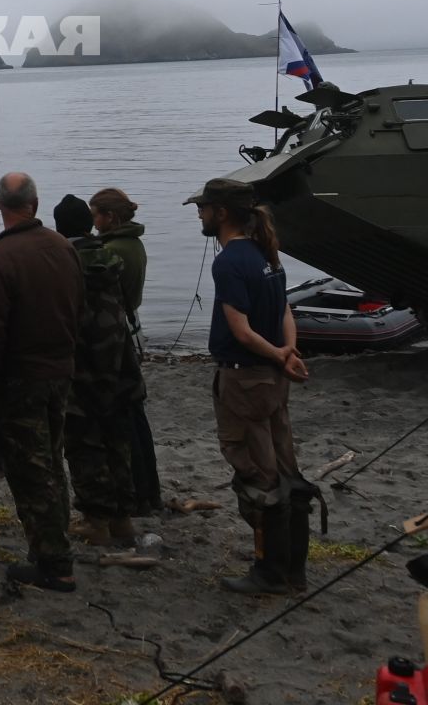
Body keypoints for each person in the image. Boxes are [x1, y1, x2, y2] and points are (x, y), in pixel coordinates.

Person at [185, 177, 314, 596]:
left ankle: (270, 573)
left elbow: (239, 330)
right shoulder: (267, 253)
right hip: (273, 378)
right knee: (284, 465)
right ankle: (294, 569)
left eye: (204, 208)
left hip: (244, 377)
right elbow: (284, 312)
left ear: (222, 213)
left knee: (258, 474)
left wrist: (279, 355)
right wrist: (287, 352)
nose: (200, 213)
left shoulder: (229, 262)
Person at [0, 171, 85, 593]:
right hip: (60, 371)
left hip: (21, 378)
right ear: (35, 204)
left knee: (31, 471)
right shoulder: (63, 247)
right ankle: (51, 548)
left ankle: (55, 564)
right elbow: (79, 307)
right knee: (52, 461)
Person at [52, 194, 143, 549]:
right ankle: (122, 519)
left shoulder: (64, 261)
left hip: (82, 367)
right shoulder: (110, 257)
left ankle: (95, 520)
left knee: (83, 445)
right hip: (119, 364)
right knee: (117, 442)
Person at [91, 187, 162, 514]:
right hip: (130, 328)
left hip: (115, 336)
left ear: (110, 217)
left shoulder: (113, 250)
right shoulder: (134, 244)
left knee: (122, 415)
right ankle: (148, 490)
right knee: (135, 411)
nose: (93, 222)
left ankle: (135, 490)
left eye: (96, 215)